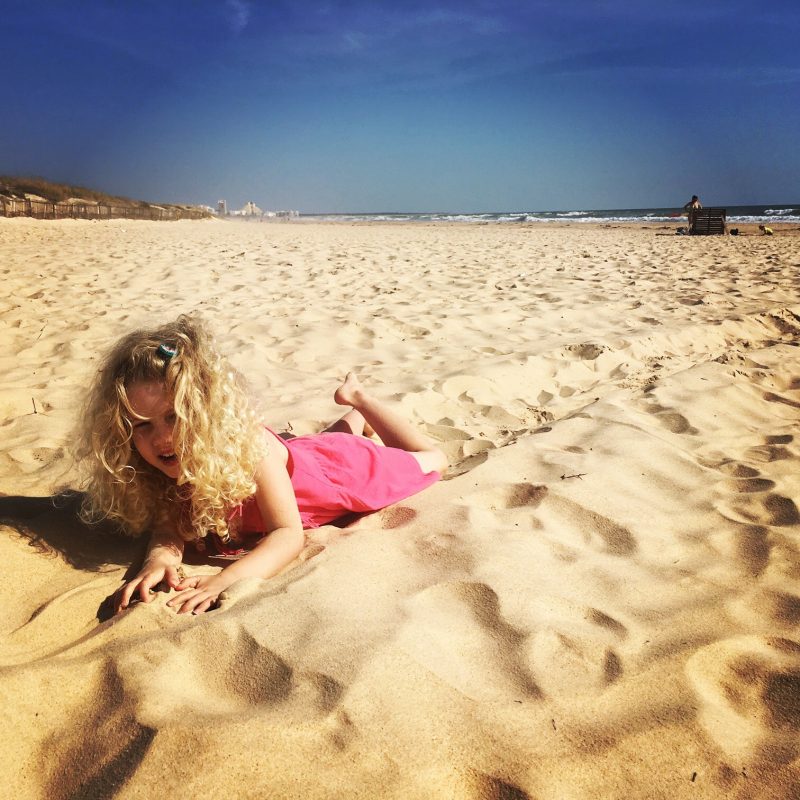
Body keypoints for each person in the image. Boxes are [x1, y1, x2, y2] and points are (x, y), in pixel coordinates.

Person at [76, 314, 446, 615]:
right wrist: (158, 559)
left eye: (175, 417)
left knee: (433, 461)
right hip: (302, 457)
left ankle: (359, 399)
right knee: (319, 445)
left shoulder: (251, 447)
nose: (161, 438)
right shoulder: (164, 468)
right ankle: (350, 417)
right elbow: (168, 526)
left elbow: (287, 533)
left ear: (208, 413)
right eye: (143, 424)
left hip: (338, 475)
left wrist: (225, 580)